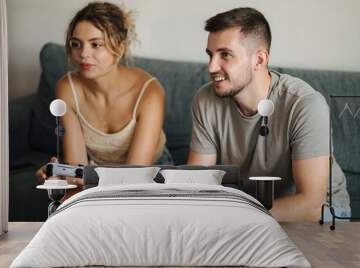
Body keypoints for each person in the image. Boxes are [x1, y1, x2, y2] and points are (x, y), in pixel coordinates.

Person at [187, 7, 350, 222]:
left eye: (225, 55)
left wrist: (231, 216)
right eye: (210, 55)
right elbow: (197, 185)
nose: (211, 66)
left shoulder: (305, 105)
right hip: (249, 212)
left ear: (259, 60)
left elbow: (311, 205)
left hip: (321, 218)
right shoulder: (205, 99)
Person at [36, 1, 172, 185]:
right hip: (95, 171)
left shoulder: (149, 92)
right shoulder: (67, 88)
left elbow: (134, 177)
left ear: (120, 47)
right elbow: (78, 167)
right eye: (76, 44)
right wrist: (62, 174)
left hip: (149, 172)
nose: (83, 53)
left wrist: (82, 175)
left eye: (96, 44)